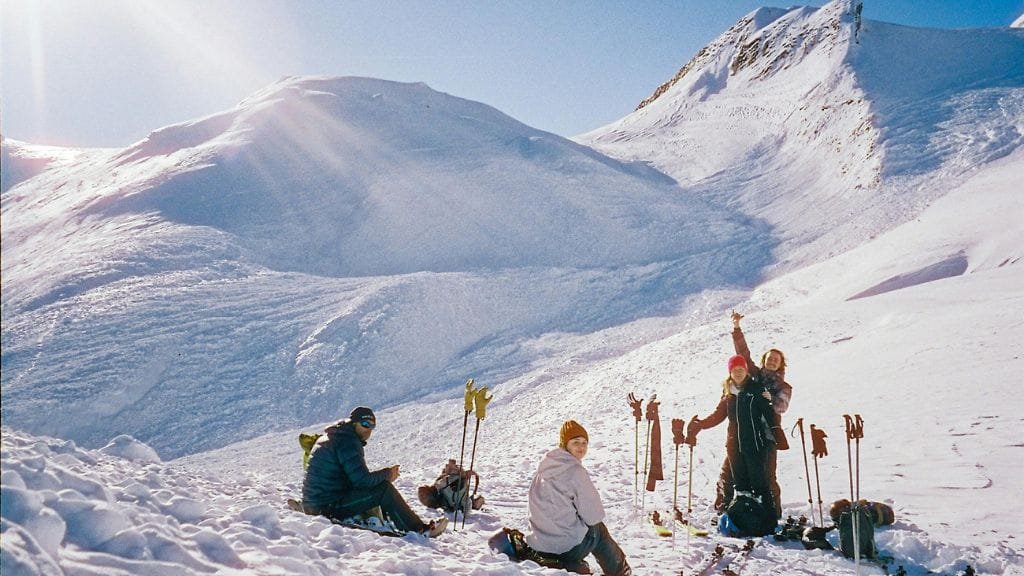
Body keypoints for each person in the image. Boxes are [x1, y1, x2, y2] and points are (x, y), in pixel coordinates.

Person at [301, 406, 447, 537]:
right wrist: (388, 474)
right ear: (354, 423)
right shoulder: (348, 442)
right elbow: (362, 481)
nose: (369, 430)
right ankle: (419, 530)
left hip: (316, 501)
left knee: (375, 487)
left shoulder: (337, 436)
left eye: (372, 426)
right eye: (365, 424)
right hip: (326, 506)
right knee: (384, 490)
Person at [712, 311, 793, 518]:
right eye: (770, 358)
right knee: (729, 472)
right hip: (744, 434)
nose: (773, 361)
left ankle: (773, 514)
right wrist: (737, 328)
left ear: (780, 363)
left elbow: (780, 408)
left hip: (766, 436)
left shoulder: (784, 386)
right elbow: (743, 355)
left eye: (776, 359)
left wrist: (767, 400)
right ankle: (724, 508)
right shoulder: (754, 376)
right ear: (764, 360)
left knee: (767, 477)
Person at [525, 420, 632, 576]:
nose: (581, 447)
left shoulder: (543, 469)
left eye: (584, 443)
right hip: (565, 548)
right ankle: (620, 572)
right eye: (576, 442)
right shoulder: (575, 471)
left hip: (538, 543)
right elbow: (594, 516)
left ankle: (573, 566)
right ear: (565, 444)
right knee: (598, 530)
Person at [689, 355, 778, 519]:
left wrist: (777, 437)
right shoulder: (728, 394)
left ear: (746, 370)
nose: (738, 373)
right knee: (741, 484)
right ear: (730, 372)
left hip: (755, 445)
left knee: (760, 484)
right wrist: (700, 424)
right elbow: (718, 415)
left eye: (741, 369)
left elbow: (771, 415)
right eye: (734, 370)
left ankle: (769, 519)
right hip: (734, 446)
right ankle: (743, 518)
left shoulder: (756, 390)